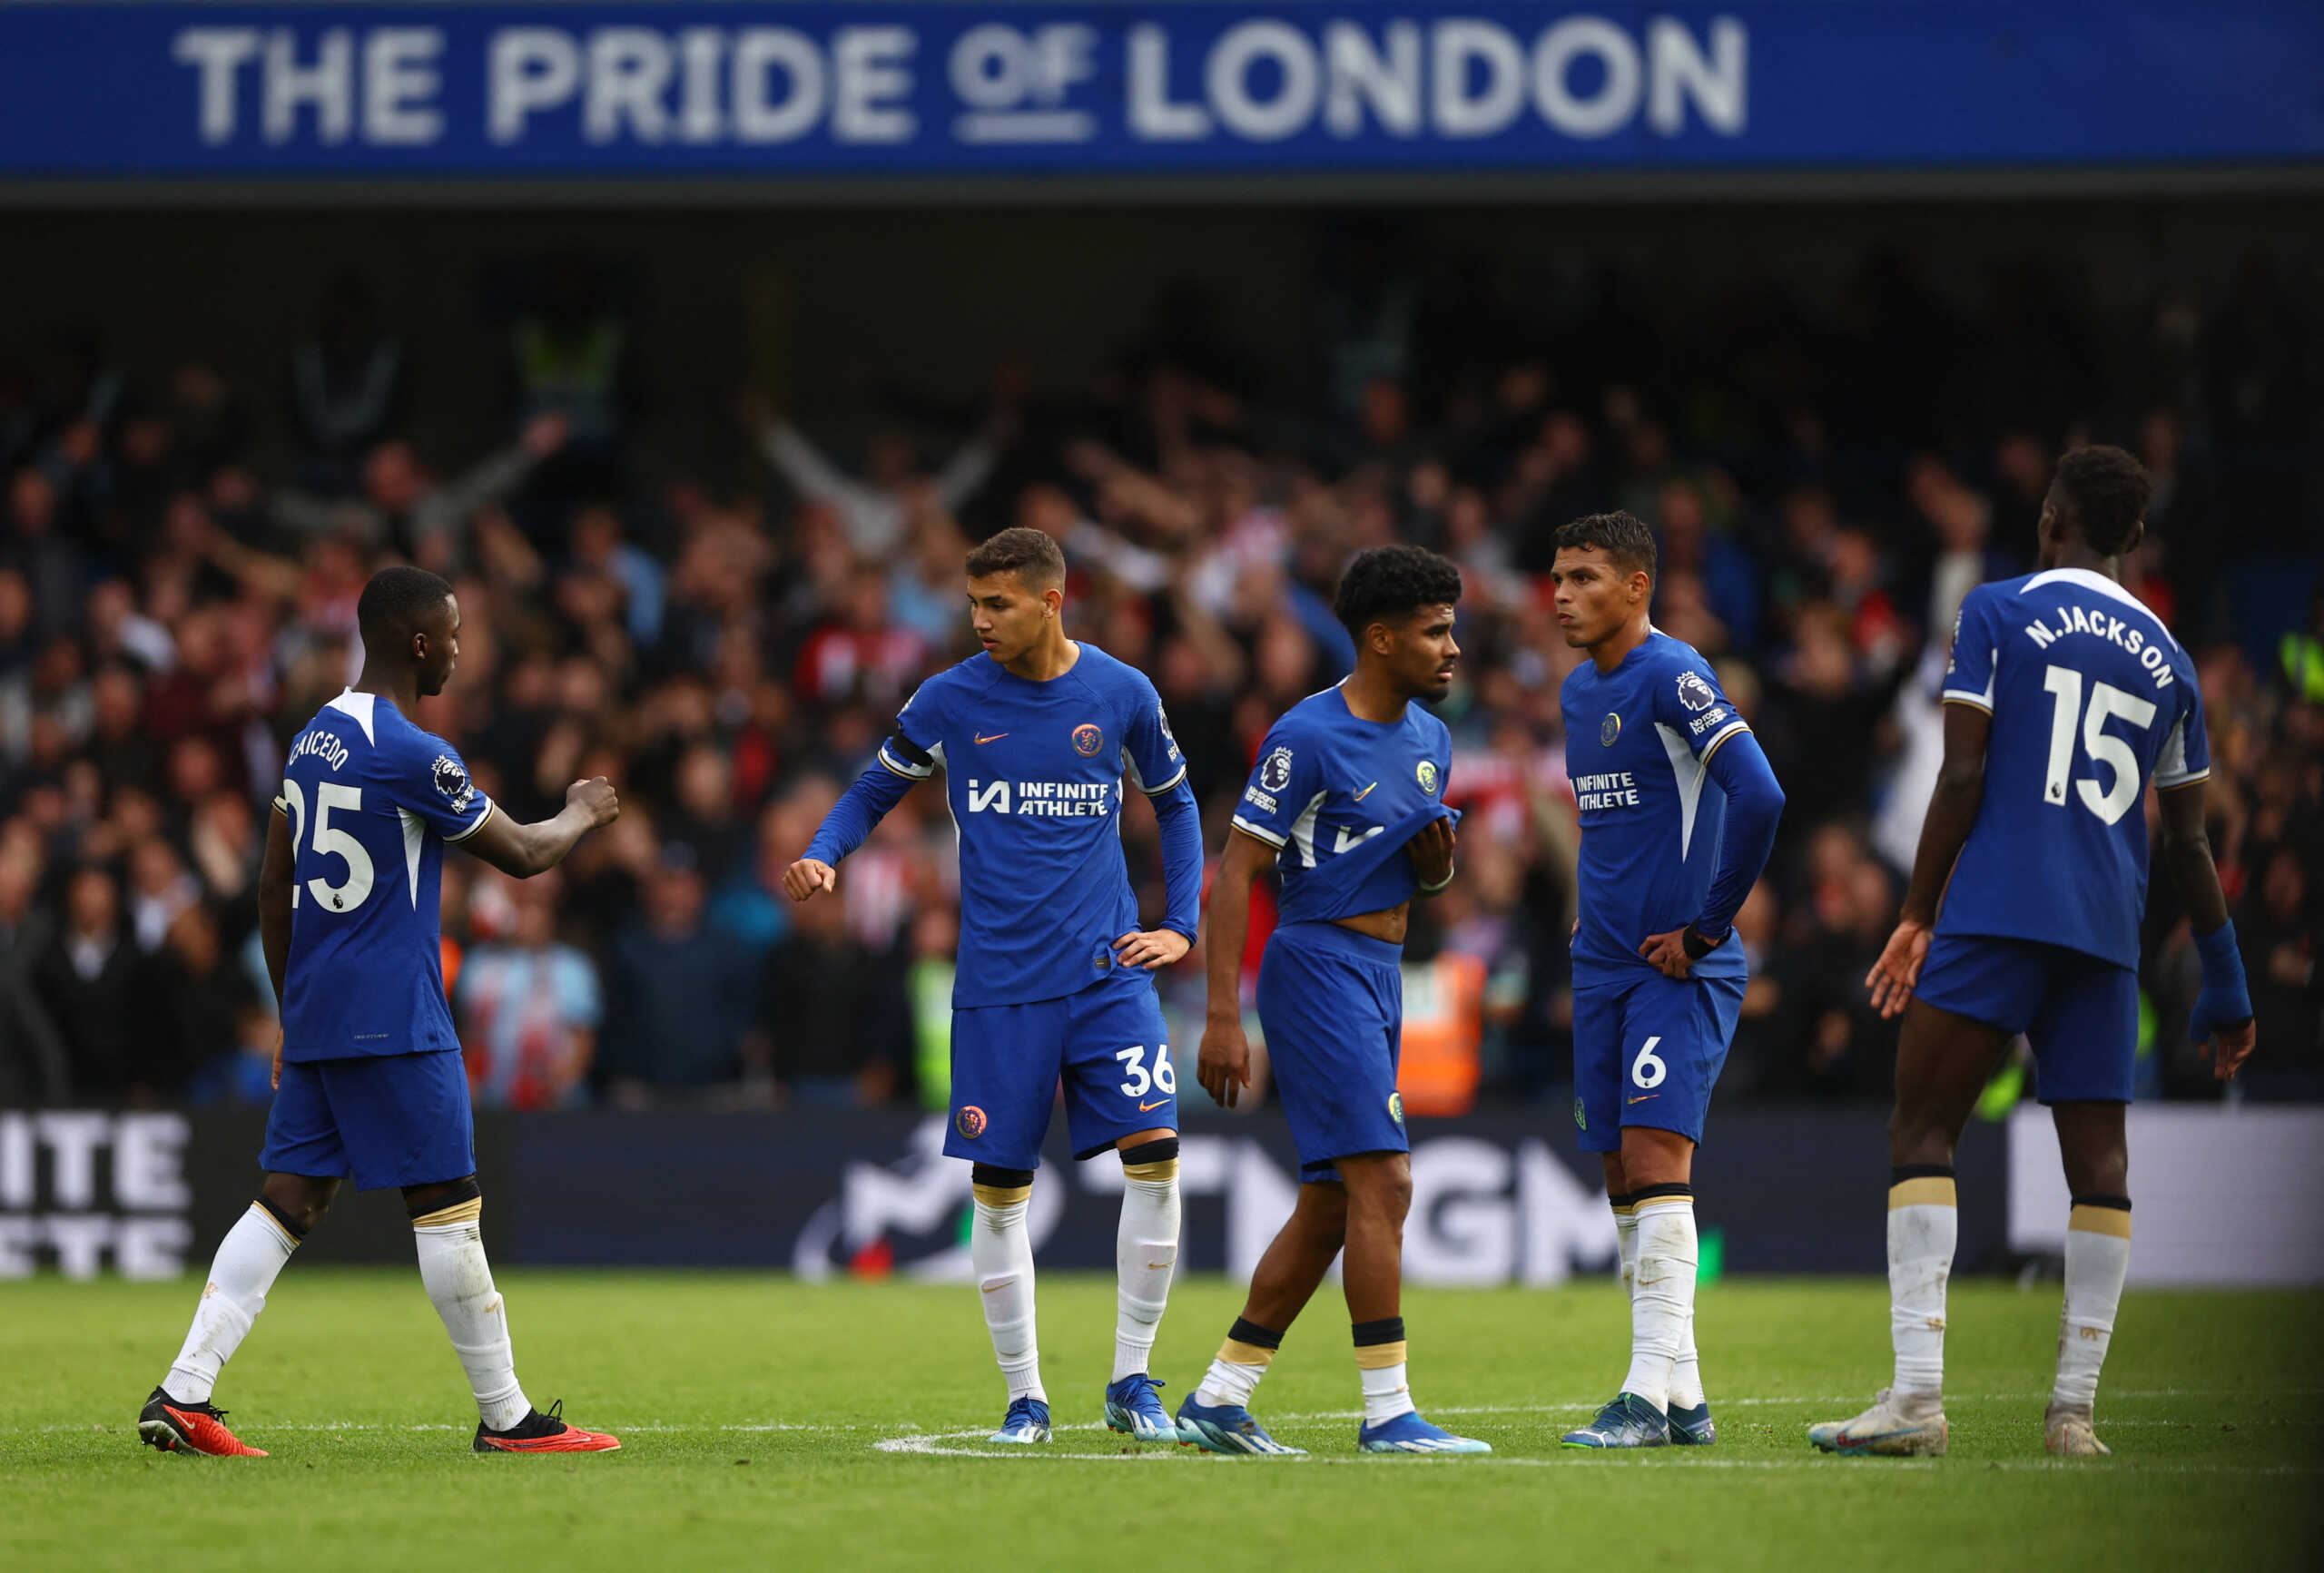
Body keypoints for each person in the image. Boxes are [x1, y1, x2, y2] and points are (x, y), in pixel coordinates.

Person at [1809, 446, 2255, 1460]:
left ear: (2050, 515)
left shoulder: (1998, 611)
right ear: (2131, 537)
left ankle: (1917, 1401)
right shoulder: (2173, 661)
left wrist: (1917, 908)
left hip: (1998, 907)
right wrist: (2225, 981)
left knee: (1922, 1128)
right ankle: (2073, 1414)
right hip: (2104, 932)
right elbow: (2188, 841)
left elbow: (1961, 775)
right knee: (2099, 1165)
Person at [137, 565, 624, 1459]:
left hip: (321, 1008)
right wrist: (581, 811)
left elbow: (274, 882)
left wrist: (293, 1014)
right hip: (395, 1012)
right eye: (455, 632)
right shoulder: (412, 751)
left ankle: (183, 1390)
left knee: (287, 1198)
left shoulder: (312, 736)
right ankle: (509, 1415)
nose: (461, 648)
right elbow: (520, 853)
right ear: (419, 641)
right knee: (446, 1203)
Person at [783, 527, 1202, 1446]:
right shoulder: (950, 698)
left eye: (998, 603)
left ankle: (1132, 1377)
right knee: (999, 1189)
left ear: (1052, 601)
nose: (979, 619)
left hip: (1108, 971)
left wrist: (1181, 924)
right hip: (1002, 983)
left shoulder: (1122, 693)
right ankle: (1026, 1397)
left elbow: (1175, 802)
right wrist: (824, 852)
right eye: (973, 602)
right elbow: (872, 787)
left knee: (1157, 1157)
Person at [1183, 544, 1488, 1458]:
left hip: (1382, 974)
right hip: (1315, 968)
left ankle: (1219, 1395)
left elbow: (1410, 875)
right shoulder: (1305, 736)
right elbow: (1236, 873)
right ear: (1381, 637)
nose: (1453, 649)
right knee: (1386, 1180)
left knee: (1330, 1199)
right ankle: (1390, 1410)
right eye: (1435, 632)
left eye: (1454, 629)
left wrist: (1434, 875)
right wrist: (1224, 1015)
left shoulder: (1432, 740)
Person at [1549, 510, 1787, 1449]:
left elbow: (1758, 793)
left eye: (1584, 577)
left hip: (1673, 964)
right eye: (1558, 577)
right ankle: (1682, 1394)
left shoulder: (1674, 673)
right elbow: (1613, 824)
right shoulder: (1575, 693)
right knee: (1617, 1168)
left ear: (1637, 585)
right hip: (1602, 961)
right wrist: (1588, 909)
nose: (1562, 594)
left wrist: (1706, 926)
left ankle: (1642, 1396)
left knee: (1655, 1162)